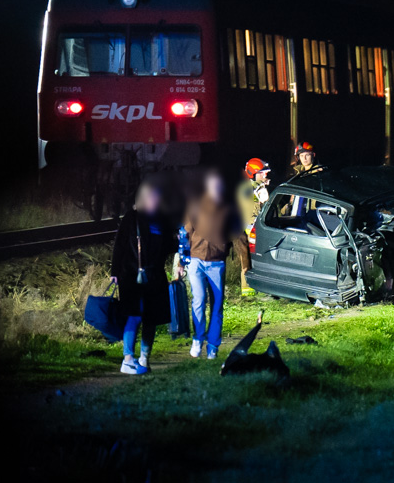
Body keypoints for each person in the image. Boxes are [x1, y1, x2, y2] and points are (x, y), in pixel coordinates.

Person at [110, 181, 177, 375]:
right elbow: (120, 245)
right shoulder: (131, 218)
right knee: (134, 315)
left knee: (151, 318)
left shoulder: (162, 220)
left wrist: (179, 244)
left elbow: (167, 247)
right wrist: (115, 272)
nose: (156, 201)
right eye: (153, 197)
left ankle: (144, 359)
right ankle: (128, 359)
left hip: (155, 275)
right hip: (131, 275)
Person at [179, 169, 238, 359]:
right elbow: (184, 234)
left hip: (216, 263)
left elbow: (238, 235)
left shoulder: (229, 209)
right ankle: (198, 338)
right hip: (196, 261)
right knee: (198, 300)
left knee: (217, 305)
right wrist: (181, 260)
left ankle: (213, 346)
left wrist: (246, 264)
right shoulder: (195, 206)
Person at [235, 158, 272, 296]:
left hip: (257, 231)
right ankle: (247, 291)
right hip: (245, 232)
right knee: (246, 262)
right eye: (262, 173)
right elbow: (252, 201)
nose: (265, 175)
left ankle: (261, 288)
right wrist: (260, 189)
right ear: (254, 173)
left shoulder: (258, 188)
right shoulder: (246, 188)